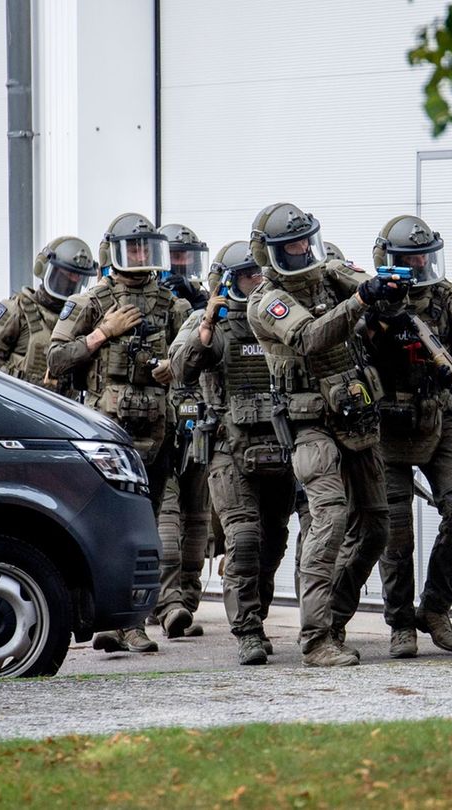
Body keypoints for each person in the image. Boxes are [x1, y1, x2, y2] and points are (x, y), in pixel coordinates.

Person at [244, 202, 399, 667]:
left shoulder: (329, 275)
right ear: (269, 253)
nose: (301, 251)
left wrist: (387, 290)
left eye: (305, 242)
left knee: (375, 526)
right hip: (310, 424)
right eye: (290, 247)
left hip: (355, 415)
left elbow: (384, 304)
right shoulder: (266, 301)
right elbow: (309, 337)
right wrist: (361, 300)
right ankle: (316, 639)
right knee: (328, 520)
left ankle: (334, 615)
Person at [47, 212, 192, 654]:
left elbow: (196, 358)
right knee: (111, 530)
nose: (140, 256)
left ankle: (148, 615)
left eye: (147, 247)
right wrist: (100, 335)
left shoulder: (173, 304)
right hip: (107, 437)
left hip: (160, 434)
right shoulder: (92, 301)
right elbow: (56, 359)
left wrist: (175, 369)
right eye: (132, 248)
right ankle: (119, 623)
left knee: (158, 532)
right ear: (114, 251)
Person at [170, 241, 293, 664]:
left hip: (279, 445)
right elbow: (181, 369)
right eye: (246, 276)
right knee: (243, 537)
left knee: (274, 540)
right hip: (229, 446)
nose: (256, 283)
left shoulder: (276, 316)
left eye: (260, 274)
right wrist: (205, 328)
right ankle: (248, 631)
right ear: (225, 280)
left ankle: (255, 612)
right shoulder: (205, 322)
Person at [365, 215, 452, 658]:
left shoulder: (450, 300)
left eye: (423, 256)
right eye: (408, 258)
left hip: (440, 418)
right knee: (395, 532)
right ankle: (400, 623)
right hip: (387, 429)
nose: (418, 264)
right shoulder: (370, 302)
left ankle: (435, 608)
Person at [151, 224, 215, 639]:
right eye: (174, 259)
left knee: (199, 522)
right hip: (158, 428)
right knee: (167, 521)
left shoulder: (206, 308)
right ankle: (167, 600)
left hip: (200, 423)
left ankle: (186, 602)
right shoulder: (143, 306)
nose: (181, 269)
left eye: (187, 260)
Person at [0, 236, 97, 395]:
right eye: (66, 274)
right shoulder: (17, 311)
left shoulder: (80, 321)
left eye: (78, 276)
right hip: (15, 407)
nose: (73, 281)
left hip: (62, 415)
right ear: (44, 269)